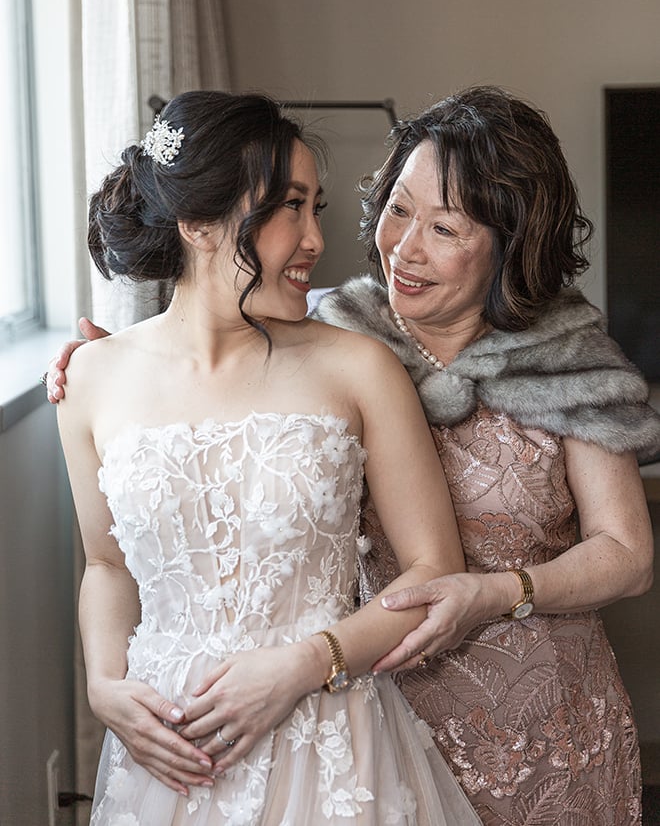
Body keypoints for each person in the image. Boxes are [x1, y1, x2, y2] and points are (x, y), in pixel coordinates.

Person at [48, 86, 659, 825]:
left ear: (509, 241)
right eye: (398, 210)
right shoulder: (334, 328)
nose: (404, 248)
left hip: (530, 721)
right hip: (359, 716)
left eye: (445, 228)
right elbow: (201, 411)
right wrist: (112, 368)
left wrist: (499, 592)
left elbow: (627, 553)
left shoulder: (566, 366)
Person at [54, 90, 481, 826]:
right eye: (290, 207)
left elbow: (434, 568)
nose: (315, 239)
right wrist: (101, 683)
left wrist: (307, 662)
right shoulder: (90, 378)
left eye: (316, 208)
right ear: (198, 224)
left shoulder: (358, 368)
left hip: (327, 740)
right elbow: (106, 566)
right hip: (168, 751)